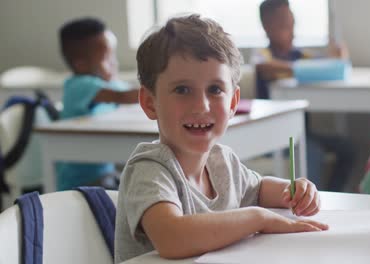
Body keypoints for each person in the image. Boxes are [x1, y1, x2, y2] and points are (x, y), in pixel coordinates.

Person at [115, 14, 328, 262]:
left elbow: (259, 190)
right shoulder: (150, 169)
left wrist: (296, 190)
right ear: (150, 103)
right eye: (182, 90)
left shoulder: (222, 161)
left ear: (233, 103)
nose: (201, 105)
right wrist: (258, 218)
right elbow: (172, 238)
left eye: (215, 89)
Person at [253, 0, 354, 192]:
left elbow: (331, 64)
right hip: (276, 136)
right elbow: (264, 68)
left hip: (304, 134)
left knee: (347, 149)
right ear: (267, 27)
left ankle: (331, 194)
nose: (291, 30)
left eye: (292, 24)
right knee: (311, 152)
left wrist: (340, 55)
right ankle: (311, 203)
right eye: (284, 25)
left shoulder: (299, 54)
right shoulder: (264, 55)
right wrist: (301, 69)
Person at [58, 17, 139, 190]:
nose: (114, 63)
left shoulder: (106, 84)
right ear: (80, 64)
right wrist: (163, 90)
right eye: (107, 58)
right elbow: (124, 96)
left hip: (103, 174)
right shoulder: (79, 85)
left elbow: (131, 95)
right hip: (78, 183)